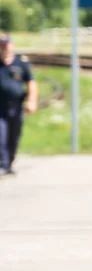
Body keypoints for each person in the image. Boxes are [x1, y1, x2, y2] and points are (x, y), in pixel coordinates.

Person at [0, 34, 37, 175]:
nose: (4, 48)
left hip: (16, 107)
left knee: (14, 136)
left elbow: (31, 83)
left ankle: (9, 163)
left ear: (12, 46)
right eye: (2, 46)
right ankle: (3, 164)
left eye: (6, 45)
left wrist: (31, 101)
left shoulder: (21, 63)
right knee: (1, 135)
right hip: (0, 107)